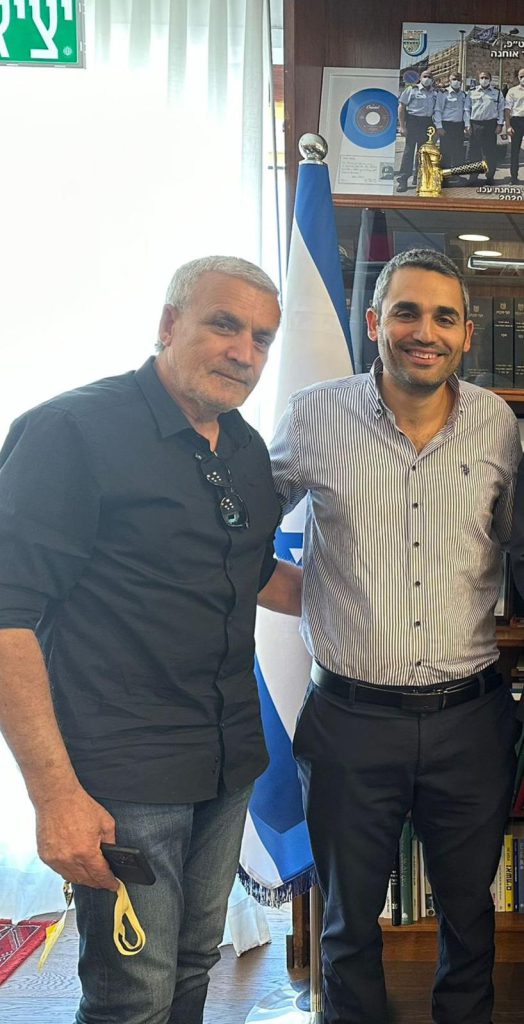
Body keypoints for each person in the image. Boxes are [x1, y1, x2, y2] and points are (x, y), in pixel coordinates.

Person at [0, 255, 302, 1024]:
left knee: (196, 961)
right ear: (170, 323)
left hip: (227, 761)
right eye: (225, 324)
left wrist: (383, 603)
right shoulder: (70, 433)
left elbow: (253, 571)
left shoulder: (243, 448)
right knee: (132, 992)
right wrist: (54, 796)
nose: (244, 352)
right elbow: (8, 616)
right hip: (123, 775)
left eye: (262, 338)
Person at [270, 248, 521, 1024]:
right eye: (407, 312)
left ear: (467, 334)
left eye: (444, 317)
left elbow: (513, 546)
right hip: (348, 721)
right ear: (376, 322)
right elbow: (233, 533)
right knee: (348, 922)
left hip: (469, 721)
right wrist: (317, 597)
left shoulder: (498, 425)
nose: (425, 331)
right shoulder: (315, 415)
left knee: (469, 914)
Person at [396, 71, 437, 193]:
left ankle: (417, 178)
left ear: (433, 79)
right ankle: (403, 179)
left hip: (427, 122)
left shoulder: (435, 93)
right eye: (425, 76)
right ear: (420, 78)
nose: (427, 79)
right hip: (413, 121)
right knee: (409, 151)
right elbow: (402, 107)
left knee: (422, 152)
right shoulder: (411, 90)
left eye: (429, 77)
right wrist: (402, 126)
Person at [464, 72, 505, 185]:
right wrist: (467, 125)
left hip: (490, 125)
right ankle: (473, 177)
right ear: (478, 79)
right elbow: (467, 109)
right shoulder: (472, 92)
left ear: (490, 79)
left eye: (486, 78)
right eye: (482, 77)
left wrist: (500, 124)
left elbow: (501, 109)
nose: (484, 79)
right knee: (474, 152)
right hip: (475, 124)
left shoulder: (497, 93)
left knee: (490, 152)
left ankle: (490, 177)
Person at [434, 71, 466, 170]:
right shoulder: (444, 93)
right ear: (450, 80)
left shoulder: (463, 94)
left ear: (461, 81)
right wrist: (439, 127)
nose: (456, 81)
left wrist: (466, 126)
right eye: (454, 79)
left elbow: (465, 111)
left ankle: (457, 174)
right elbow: (438, 110)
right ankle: (445, 174)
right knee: (445, 151)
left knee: (458, 151)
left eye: (458, 79)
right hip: (447, 125)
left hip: (459, 126)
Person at [505, 68, 524, 184]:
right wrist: (508, 125)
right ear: (518, 77)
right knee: (515, 151)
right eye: (521, 76)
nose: (523, 78)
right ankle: (514, 177)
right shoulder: (512, 91)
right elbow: (507, 110)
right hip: (516, 121)